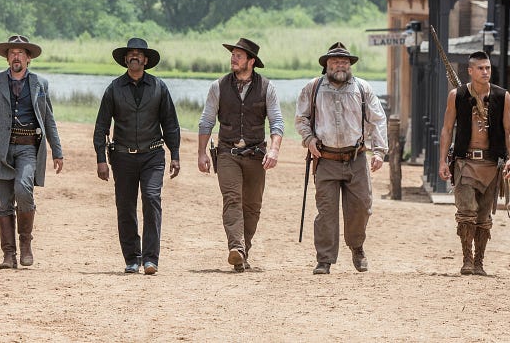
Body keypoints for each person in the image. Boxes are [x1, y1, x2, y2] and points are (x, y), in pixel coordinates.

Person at [295, 42, 387, 275]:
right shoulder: (312, 88)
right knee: (326, 212)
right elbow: (301, 119)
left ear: (350, 65)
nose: (340, 65)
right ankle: (324, 259)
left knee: (361, 209)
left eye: (344, 62)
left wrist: (379, 151)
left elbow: (378, 120)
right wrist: (309, 139)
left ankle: (357, 247)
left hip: (356, 158)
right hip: (325, 159)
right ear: (326, 64)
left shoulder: (362, 88)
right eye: (335, 61)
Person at [0, 35, 64, 269]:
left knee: (24, 189)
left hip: (28, 147)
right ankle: (8, 254)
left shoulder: (40, 84)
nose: (16, 56)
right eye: (12, 53)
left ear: (28, 58)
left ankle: (26, 244)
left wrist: (57, 150)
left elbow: (49, 119)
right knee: (4, 202)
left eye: (21, 53)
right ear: (7, 58)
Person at [93, 38, 181, 275]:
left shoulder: (159, 87)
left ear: (145, 60)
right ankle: (132, 258)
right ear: (125, 59)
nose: (134, 57)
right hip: (122, 157)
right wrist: (101, 159)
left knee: (152, 200)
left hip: (152, 155)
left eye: (139, 54)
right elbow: (101, 126)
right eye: (130, 53)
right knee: (125, 206)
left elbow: (170, 123)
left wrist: (175, 154)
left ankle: (151, 259)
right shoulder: (113, 88)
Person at [197, 38, 283, 272]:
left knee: (253, 206)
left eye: (239, 55)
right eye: (233, 54)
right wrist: (202, 153)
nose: (233, 59)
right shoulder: (218, 86)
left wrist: (274, 149)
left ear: (251, 61)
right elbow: (206, 121)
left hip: (257, 154)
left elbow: (277, 122)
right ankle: (236, 248)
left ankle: (244, 251)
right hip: (227, 152)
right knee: (232, 198)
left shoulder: (267, 88)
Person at [439, 50, 510, 276]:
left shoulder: (503, 97)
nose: (485, 72)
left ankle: (479, 262)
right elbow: (446, 128)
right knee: (466, 212)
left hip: (491, 164)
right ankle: (467, 260)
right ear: (470, 71)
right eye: (480, 68)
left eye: (488, 68)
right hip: (464, 162)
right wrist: (443, 161)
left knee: (483, 216)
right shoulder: (458, 95)